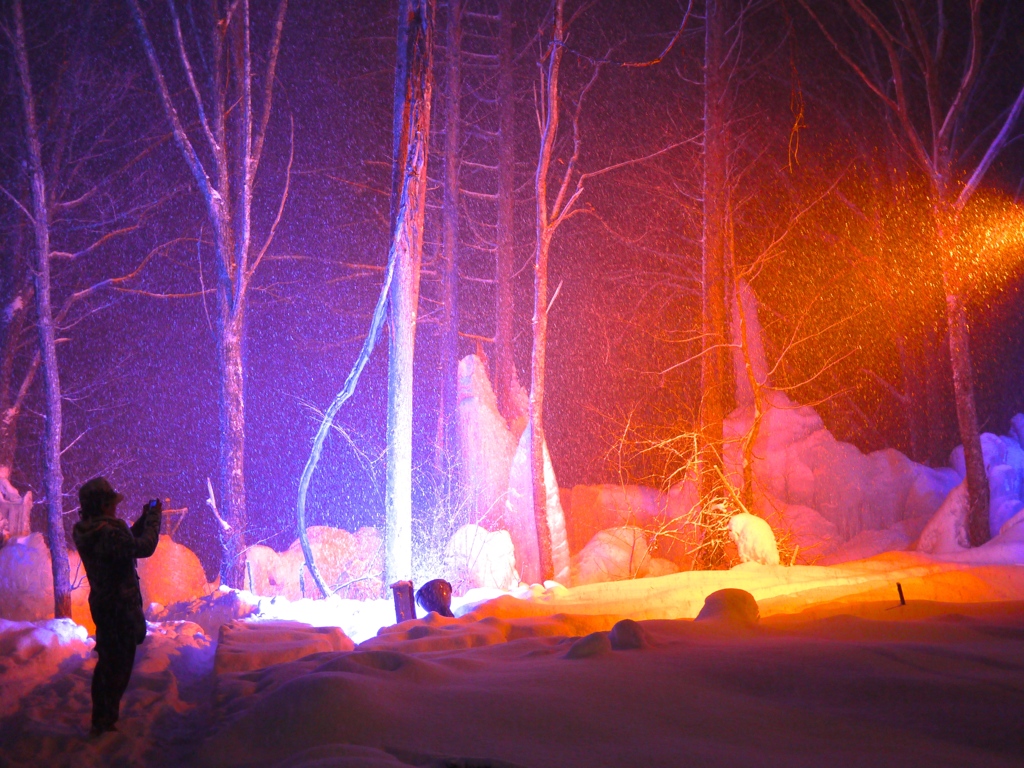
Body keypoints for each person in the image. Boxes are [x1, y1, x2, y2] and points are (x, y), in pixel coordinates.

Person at [72, 477, 162, 737]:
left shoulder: (92, 531)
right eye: (111, 502)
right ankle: (104, 722)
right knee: (117, 667)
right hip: (119, 608)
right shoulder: (108, 532)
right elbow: (142, 547)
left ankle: (103, 718)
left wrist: (143, 521)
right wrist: (154, 519)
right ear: (103, 504)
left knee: (109, 664)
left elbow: (123, 545)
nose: (114, 506)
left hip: (105, 605)